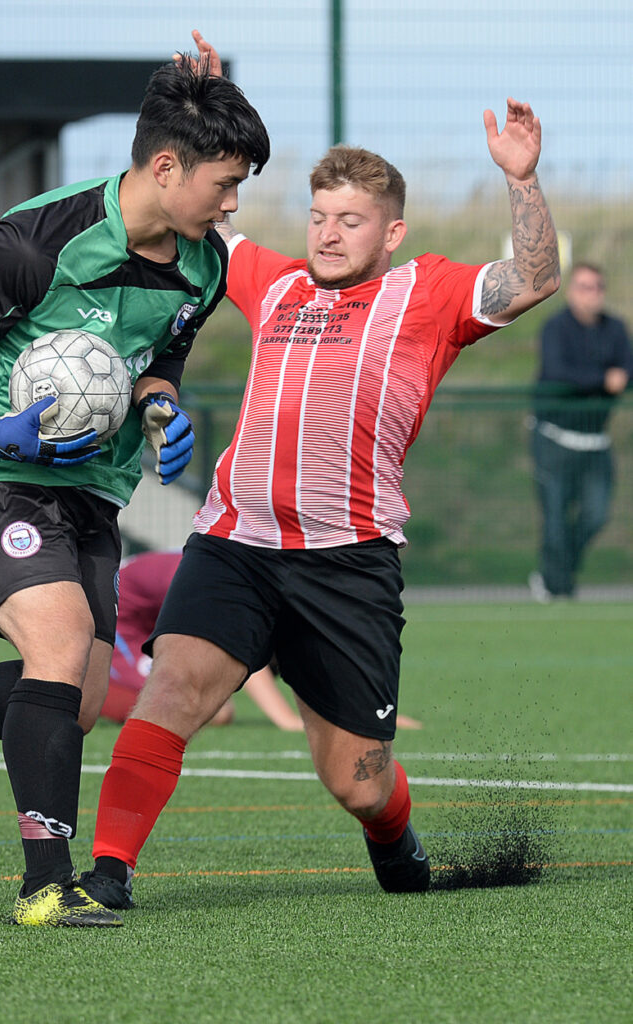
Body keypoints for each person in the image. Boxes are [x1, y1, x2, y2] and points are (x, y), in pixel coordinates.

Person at [75, 37, 560, 913]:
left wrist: (520, 179)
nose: (329, 234)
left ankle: (395, 842)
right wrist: (203, 109)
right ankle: (107, 873)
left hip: (347, 566)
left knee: (358, 784)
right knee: (174, 689)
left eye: (351, 220)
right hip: (233, 547)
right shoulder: (273, 280)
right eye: (319, 216)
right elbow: (202, 200)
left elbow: (534, 276)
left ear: (392, 232)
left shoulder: (429, 293)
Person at [0, 41, 270, 929]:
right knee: (56, 655)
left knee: (81, 701)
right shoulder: (35, 242)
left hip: (93, 483)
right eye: (224, 180)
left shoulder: (202, 264)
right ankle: (43, 886)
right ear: (165, 166)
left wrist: (163, 411)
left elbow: (157, 355)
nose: (233, 201)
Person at [103, 548, 422, 731]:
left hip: (147, 622)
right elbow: (239, 645)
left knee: (211, 704)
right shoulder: (234, 578)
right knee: (209, 709)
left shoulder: (249, 572)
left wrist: (364, 715)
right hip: (120, 623)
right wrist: (286, 719)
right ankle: (86, 694)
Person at [528, 262, 632, 601]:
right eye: (585, 287)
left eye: (598, 287)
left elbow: (626, 371)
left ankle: (555, 574)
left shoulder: (615, 328)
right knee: (556, 520)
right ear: (572, 292)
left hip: (595, 442)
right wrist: (602, 380)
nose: (593, 295)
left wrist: (615, 379)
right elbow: (559, 373)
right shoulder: (555, 328)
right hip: (554, 439)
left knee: (596, 514)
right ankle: (558, 591)